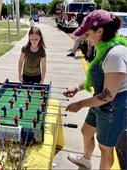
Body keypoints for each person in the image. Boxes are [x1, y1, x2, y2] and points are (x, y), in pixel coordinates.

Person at [63, 9, 127, 169]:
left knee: (105, 148)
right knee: (86, 131)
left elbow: (108, 95)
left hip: (113, 108)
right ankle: (86, 159)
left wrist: (80, 104)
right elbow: (98, 77)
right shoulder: (103, 48)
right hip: (98, 102)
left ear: (100, 31)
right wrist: (77, 87)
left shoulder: (116, 54)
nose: (85, 38)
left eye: (87, 33)